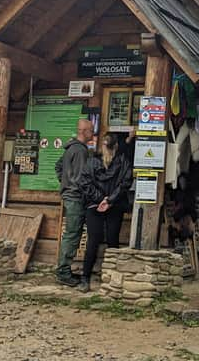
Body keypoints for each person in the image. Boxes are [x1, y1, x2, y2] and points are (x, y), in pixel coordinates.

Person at [77, 131, 134, 292]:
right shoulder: (124, 162)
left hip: (95, 206)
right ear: (116, 146)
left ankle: (85, 279)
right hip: (113, 206)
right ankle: (112, 279)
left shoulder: (92, 161)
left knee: (93, 242)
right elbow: (125, 184)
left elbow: (85, 183)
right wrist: (109, 200)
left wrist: (101, 199)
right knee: (112, 242)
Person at [54, 118, 93, 287]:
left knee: (71, 233)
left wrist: (64, 184)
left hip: (70, 196)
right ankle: (63, 272)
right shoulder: (81, 151)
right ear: (84, 132)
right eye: (91, 130)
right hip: (76, 198)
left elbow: (58, 167)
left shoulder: (70, 149)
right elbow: (82, 179)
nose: (93, 133)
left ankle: (64, 270)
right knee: (72, 234)